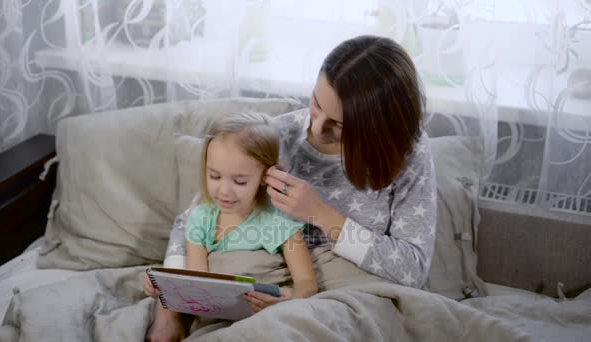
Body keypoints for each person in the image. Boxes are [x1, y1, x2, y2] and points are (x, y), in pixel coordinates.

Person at [146, 34, 437, 342]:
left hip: (353, 297)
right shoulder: (277, 137)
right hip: (275, 291)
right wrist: (169, 311)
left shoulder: (409, 153)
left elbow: (412, 269)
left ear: (376, 130)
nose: (315, 127)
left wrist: (322, 215)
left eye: (338, 124)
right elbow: (193, 219)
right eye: (315, 103)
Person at [144, 112, 318, 333]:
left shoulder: (278, 219)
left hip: (268, 318)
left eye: (239, 181)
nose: (224, 191)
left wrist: (286, 302)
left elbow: (307, 284)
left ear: (266, 177)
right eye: (214, 176)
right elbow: (199, 286)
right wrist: (163, 287)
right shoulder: (200, 218)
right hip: (217, 320)